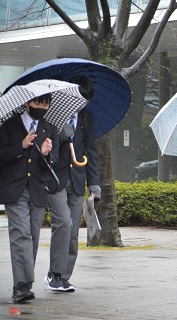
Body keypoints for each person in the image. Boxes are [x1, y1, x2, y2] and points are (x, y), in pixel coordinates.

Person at [0, 93, 59, 303]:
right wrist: (22, 146)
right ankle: (20, 285)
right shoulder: (9, 125)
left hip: (37, 189)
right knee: (20, 234)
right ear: (26, 102)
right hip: (14, 188)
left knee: (32, 236)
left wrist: (46, 154)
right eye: (38, 103)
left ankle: (26, 283)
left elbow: (53, 162)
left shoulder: (49, 129)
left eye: (45, 104)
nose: (41, 107)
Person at [44, 75, 101, 292]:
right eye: (80, 98)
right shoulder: (52, 116)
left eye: (86, 100)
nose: (83, 104)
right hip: (56, 180)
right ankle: (54, 274)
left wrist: (94, 184)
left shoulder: (86, 118)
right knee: (64, 223)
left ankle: (64, 276)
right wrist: (59, 136)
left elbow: (91, 152)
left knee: (74, 231)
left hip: (77, 180)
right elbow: (46, 150)